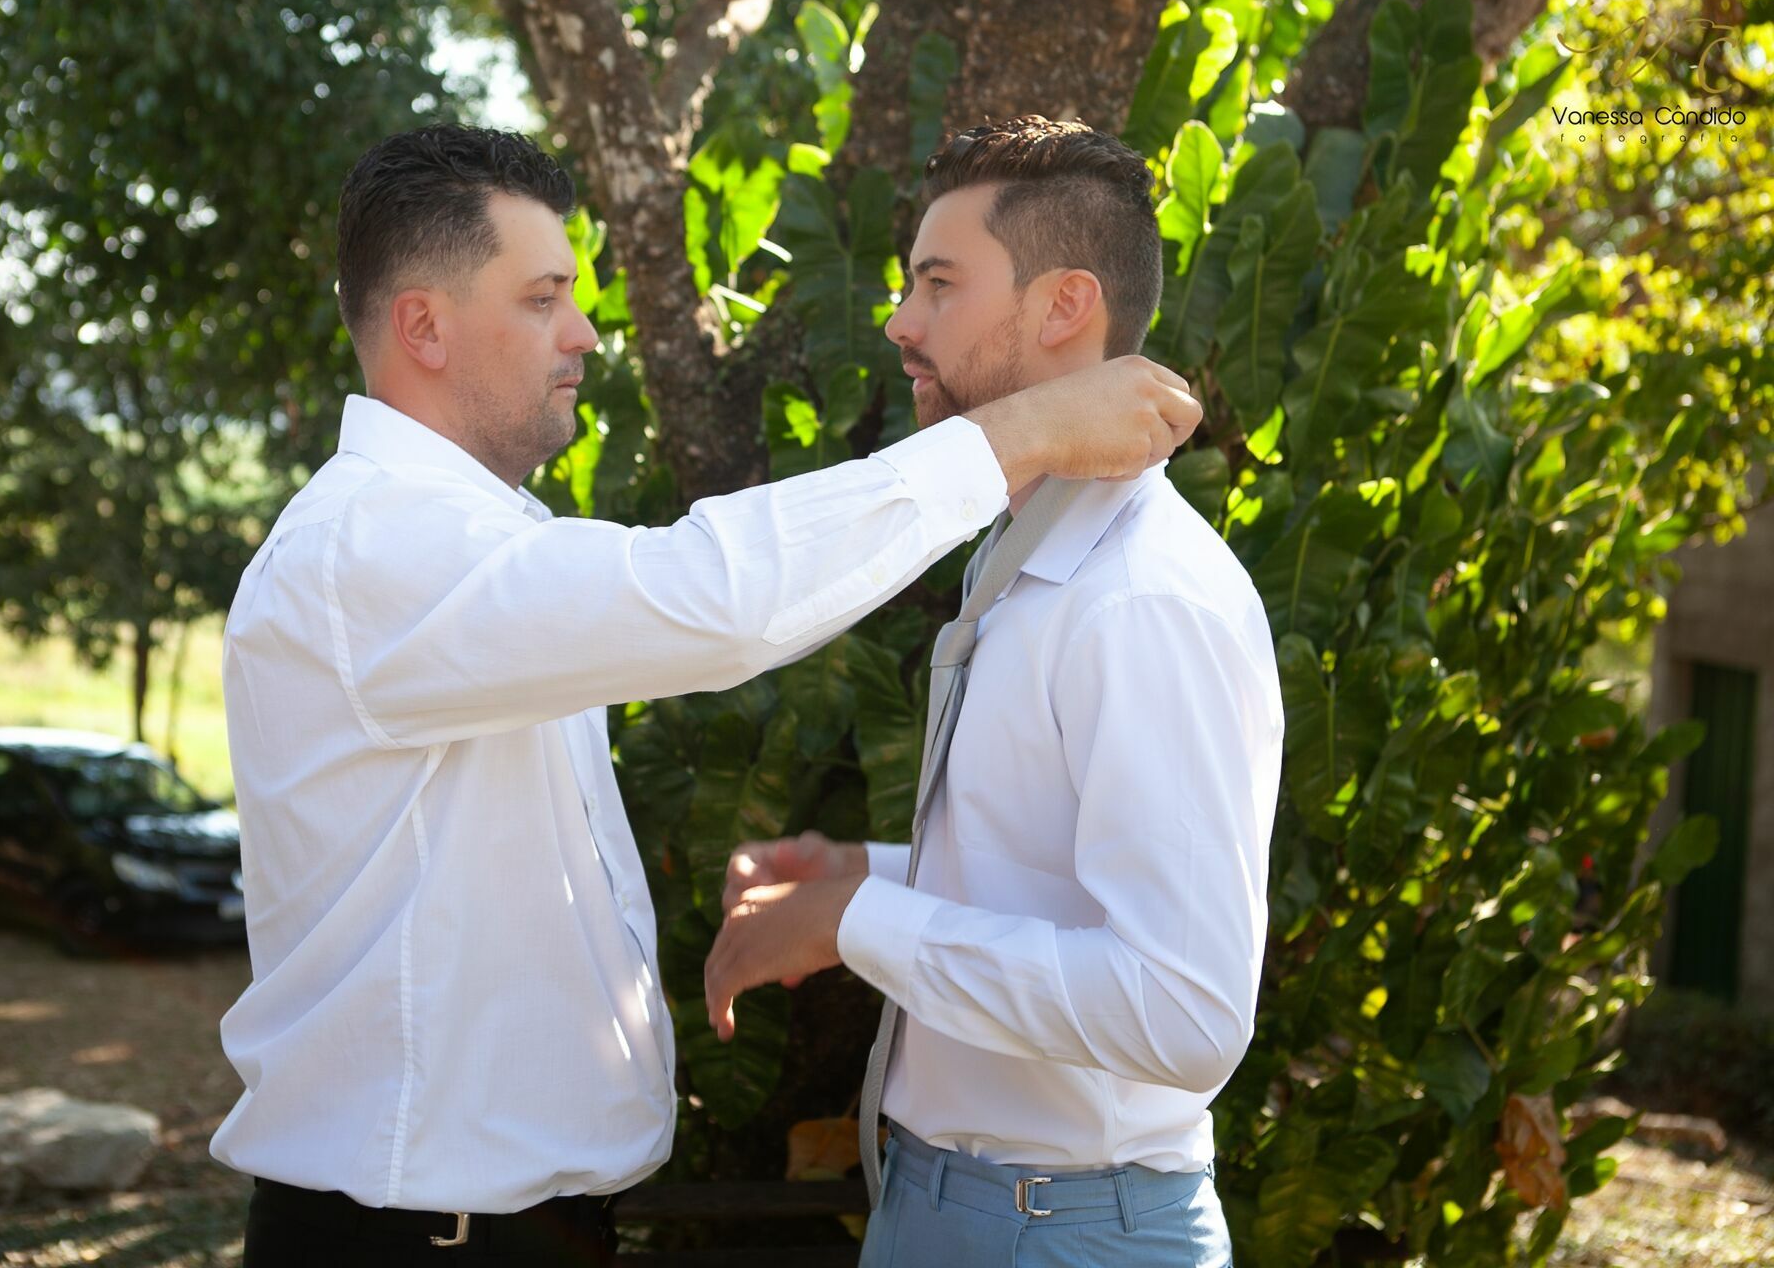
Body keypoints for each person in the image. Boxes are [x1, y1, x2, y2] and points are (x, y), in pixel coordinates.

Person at [210, 122, 1202, 1267]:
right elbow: (717, 596)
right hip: (419, 1240)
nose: (582, 333)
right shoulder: (375, 549)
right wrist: (1017, 436)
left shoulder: (471, 541)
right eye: (542, 299)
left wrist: (868, 877)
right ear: (422, 325)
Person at [707, 116, 1284, 1267]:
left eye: (938, 284)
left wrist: (859, 923)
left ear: (1065, 306)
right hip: (958, 1209)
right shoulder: (1021, 559)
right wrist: (860, 873)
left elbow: (1184, 1010)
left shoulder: (1144, 601)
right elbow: (1060, 889)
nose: (900, 322)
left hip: (1068, 1231)